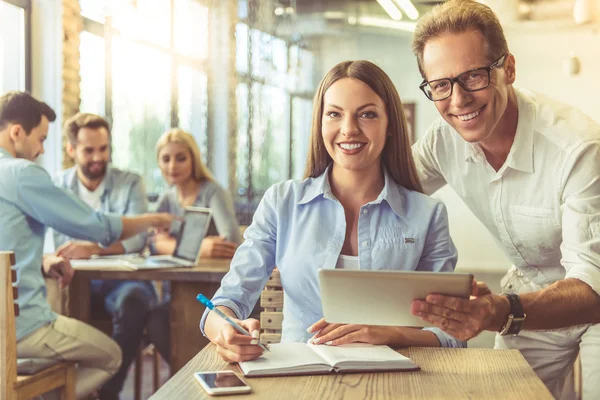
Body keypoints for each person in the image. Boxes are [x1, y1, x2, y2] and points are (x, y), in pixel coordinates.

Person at [201, 60, 463, 364]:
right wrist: (225, 331)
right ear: (320, 123)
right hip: (299, 378)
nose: (349, 129)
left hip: (395, 382)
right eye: (334, 114)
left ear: (390, 124)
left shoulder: (427, 215)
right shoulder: (282, 202)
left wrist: (388, 333)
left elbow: (452, 335)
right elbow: (224, 303)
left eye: (367, 114)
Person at [408, 1, 600, 398]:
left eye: (474, 76)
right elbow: (381, 190)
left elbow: (592, 285)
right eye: (441, 85)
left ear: (508, 68)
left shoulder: (578, 148)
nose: (458, 100)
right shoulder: (442, 142)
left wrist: (499, 310)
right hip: (529, 294)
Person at [0, 91, 174, 400]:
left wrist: (41, 260)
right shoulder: (22, 174)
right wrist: (150, 219)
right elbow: (97, 227)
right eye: (40, 139)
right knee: (110, 357)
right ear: (16, 132)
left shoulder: (127, 180)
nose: (41, 150)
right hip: (21, 330)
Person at [51, 112, 158, 399]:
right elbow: (60, 241)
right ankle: (67, 389)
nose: (98, 157)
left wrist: (92, 248)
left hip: (123, 281)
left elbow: (137, 238)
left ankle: (105, 393)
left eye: (104, 148)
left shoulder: (130, 183)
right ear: (71, 149)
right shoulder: (56, 185)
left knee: (135, 302)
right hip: (74, 282)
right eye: (89, 150)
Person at [146, 128, 242, 362]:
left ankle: (198, 372)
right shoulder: (167, 198)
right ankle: (186, 375)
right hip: (178, 290)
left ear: (193, 159)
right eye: (166, 159)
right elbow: (150, 241)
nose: (172, 166)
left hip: (213, 291)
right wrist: (202, 248)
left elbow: (230, 240)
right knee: (154, 321)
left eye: (181, 158)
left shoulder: (212, 191)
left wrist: (168, 243)